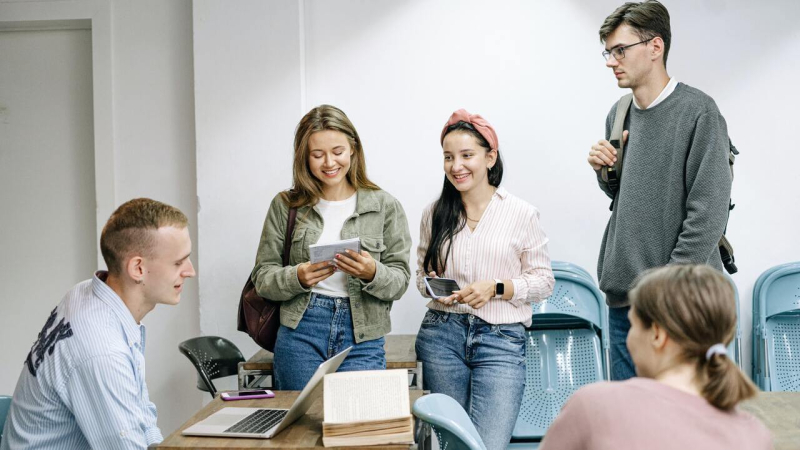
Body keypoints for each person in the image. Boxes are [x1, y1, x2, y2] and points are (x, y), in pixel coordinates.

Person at [587, 0, 734, 380]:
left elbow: (708, 215)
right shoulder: (618, 113)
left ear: (655, 47)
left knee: (686, 427)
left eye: (620, 50)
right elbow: (627, 198)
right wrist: (607, 173)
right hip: (624, 303)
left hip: (681, 305)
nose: (610, 61)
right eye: (608, 51)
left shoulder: (699, 112)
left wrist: (664, 290)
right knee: (630, 429)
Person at [1, 198, 196, 450]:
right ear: (138, 268)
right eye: (178, 262)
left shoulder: (87, 293)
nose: (190, 271)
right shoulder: (101, 351)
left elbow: (141, 415)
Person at [414, 109, 554, 450]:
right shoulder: (435, 213)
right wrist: (434, 286)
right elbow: (420, 277)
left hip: (501, 341)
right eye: (448, 157)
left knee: (487, 445)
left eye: (466, 155)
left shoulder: (521, 213)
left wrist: (497, 288)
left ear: (490, 157)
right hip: (441, 337)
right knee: (451, 445)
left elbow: (543, 281)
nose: (456, 166)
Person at [251, 104, 411, 390]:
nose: (329, 163)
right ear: (304, 157)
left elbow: (400, 281)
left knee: (357, 427)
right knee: (298, 429)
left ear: (353, 149)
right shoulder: (285, 206)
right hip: (301, 330)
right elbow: (263, 278)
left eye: (337, 152)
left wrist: (372, 272)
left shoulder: (385, 206)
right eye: (317, 154)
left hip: (363, 334)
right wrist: (297, 277)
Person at [540, 265, 772, 450]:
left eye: (632, 325)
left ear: (658, 335)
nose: (628, 337)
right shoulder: (755, 436)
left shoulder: (594, 406)